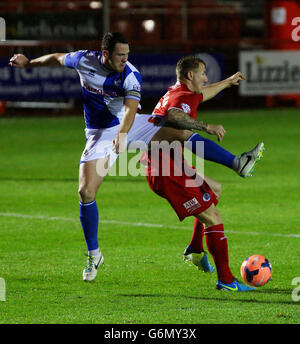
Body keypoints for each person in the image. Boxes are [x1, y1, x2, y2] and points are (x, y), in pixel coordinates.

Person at [9, 36, 262, 283]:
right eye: (121, 55)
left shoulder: (131, 74)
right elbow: (57, 58)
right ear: (105, 54)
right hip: (100, 135)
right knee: (86, 192)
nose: (125, 59)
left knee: (180, 131)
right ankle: (94, 255)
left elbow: (131, 108)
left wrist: (123, 133)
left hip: (130, 126)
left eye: (127, 54)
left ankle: (236, 163)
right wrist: (29, 63)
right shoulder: (84, 60)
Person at [140, 55, 261, 291]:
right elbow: (175, 115)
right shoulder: (180, 97)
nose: (206, 78)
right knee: (213, 217)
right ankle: (226, 281)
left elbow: (201, 94)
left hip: (169, 162)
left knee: (214, 189)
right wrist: (207, 126)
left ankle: (195, 249)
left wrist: (227, 82)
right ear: (189, 75)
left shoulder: (181, 92)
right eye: (203, 73)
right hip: (165, 169)